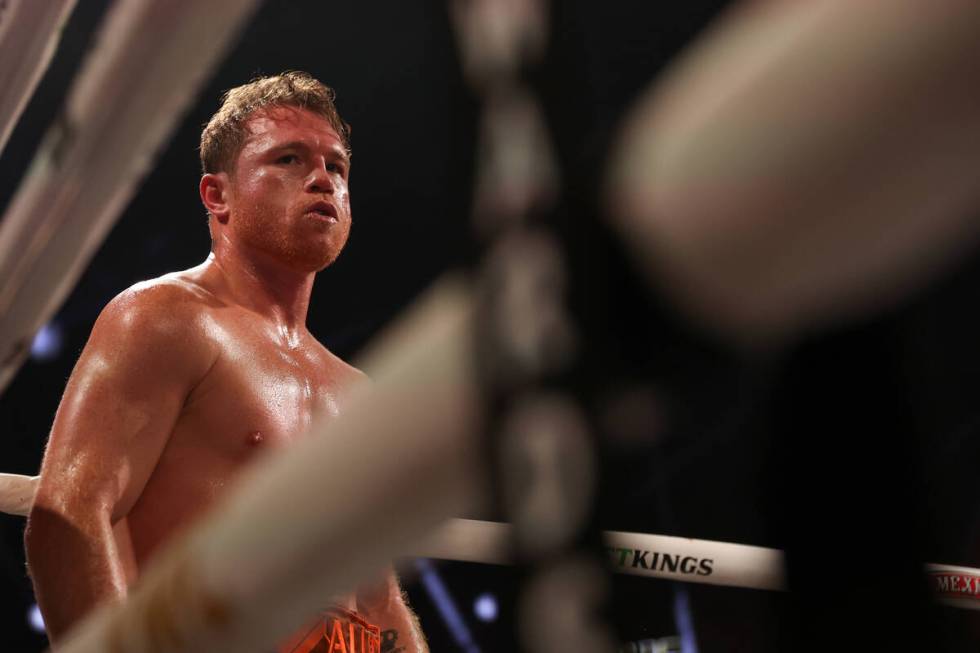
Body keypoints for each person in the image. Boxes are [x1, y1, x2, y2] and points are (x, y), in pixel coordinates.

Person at [24, 71, 428, 652]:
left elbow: (376, 596)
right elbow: (69, 516)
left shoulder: (355, 391)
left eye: (337, 168)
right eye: (288, 159)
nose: (322, 179)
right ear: (218, 195)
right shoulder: (168, 318)